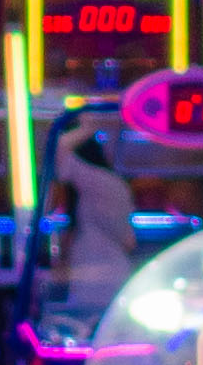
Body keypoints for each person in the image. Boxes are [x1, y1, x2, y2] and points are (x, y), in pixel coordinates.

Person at [46, 108, 143, 330]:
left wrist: (86, 128)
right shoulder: (106, 183)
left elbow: (58, 150)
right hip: (102, 280)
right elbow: (129, 240)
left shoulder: (99, 181)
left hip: (99, 283)